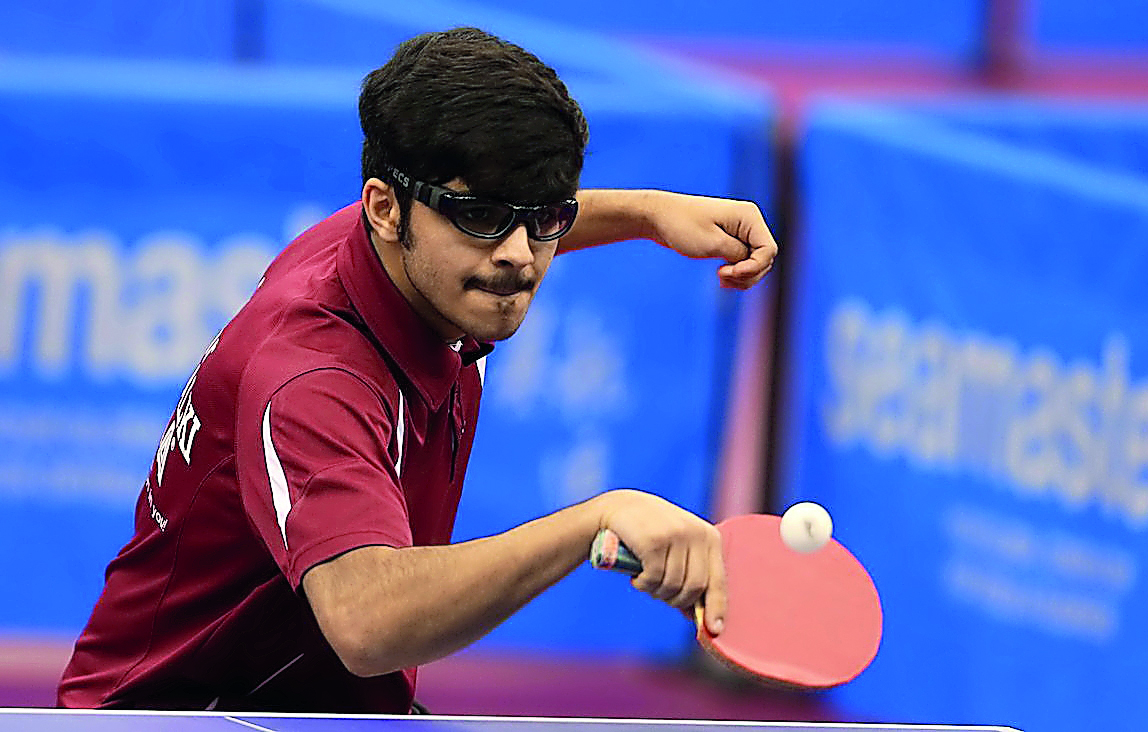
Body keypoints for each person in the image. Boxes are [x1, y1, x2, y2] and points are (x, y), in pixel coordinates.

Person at [57, 26, 777, 713]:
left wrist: (647, 213)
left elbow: (493, 215)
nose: (519, 255)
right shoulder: (314, 379)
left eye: (546, 219)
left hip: (314, 707)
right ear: (385, 210)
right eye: (483, 219)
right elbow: (368, 622)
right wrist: (594, 520)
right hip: (175, 716)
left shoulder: (393, 248)